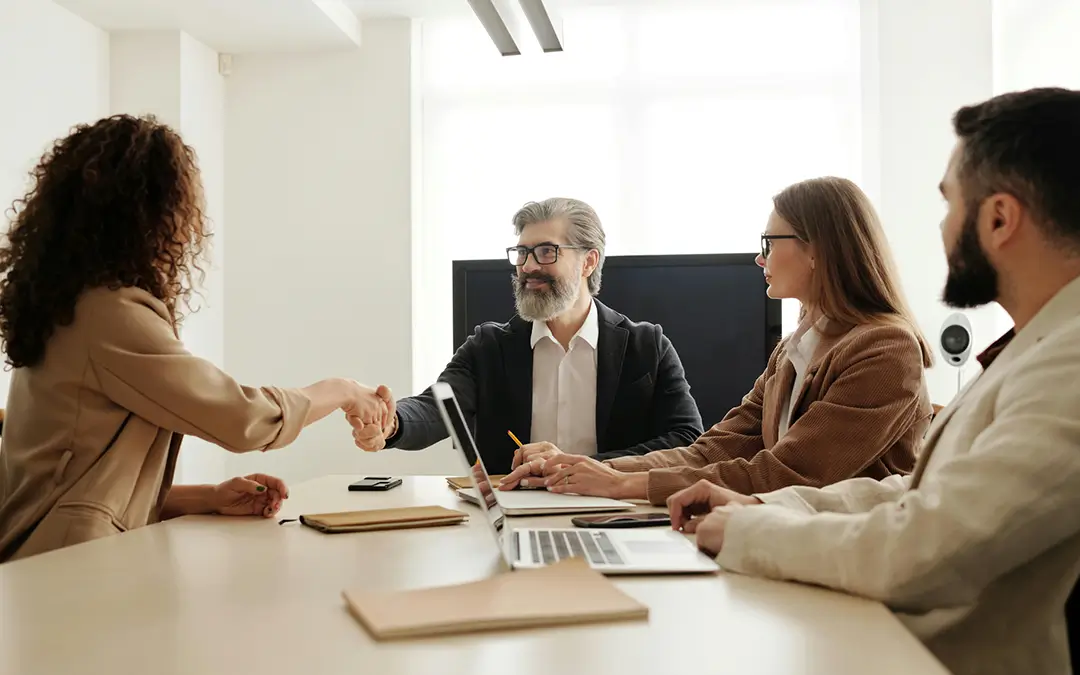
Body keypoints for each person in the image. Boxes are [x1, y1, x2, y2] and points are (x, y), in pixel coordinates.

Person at [666, 87, 1080, 675]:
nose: (942, 230)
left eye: (950, 204)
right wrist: (763, 505)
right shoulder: (1035, 349)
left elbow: (927, 547)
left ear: (998, 218)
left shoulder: (1069, 365)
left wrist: (753, 530)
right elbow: (911, 493)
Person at [0, 114, 392, 563]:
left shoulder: (66, 307)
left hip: (48, 564)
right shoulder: (108, 314)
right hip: (65, 571)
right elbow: (241, 417)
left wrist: (205, 497)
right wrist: (342, 390)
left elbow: (73, 483)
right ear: (150, 213)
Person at [501, 177, 933, 505]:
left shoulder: (886, 350)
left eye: (770, 241)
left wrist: (626, 484)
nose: (760, 257)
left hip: (847, 564)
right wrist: (593, 470)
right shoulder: (792, 351)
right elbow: (713, 449)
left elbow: (791, 473)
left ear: (818, 250)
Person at [352, 197, 704, 475]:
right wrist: (391, 422)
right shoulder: (488, 347)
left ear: (588, 262)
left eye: (546, 252)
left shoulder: (647, 347)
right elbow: (437, 409)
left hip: (615, 510)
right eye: (522, 253)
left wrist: (585, 467)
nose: (528, 266)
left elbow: (686, 440)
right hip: (516, 511)